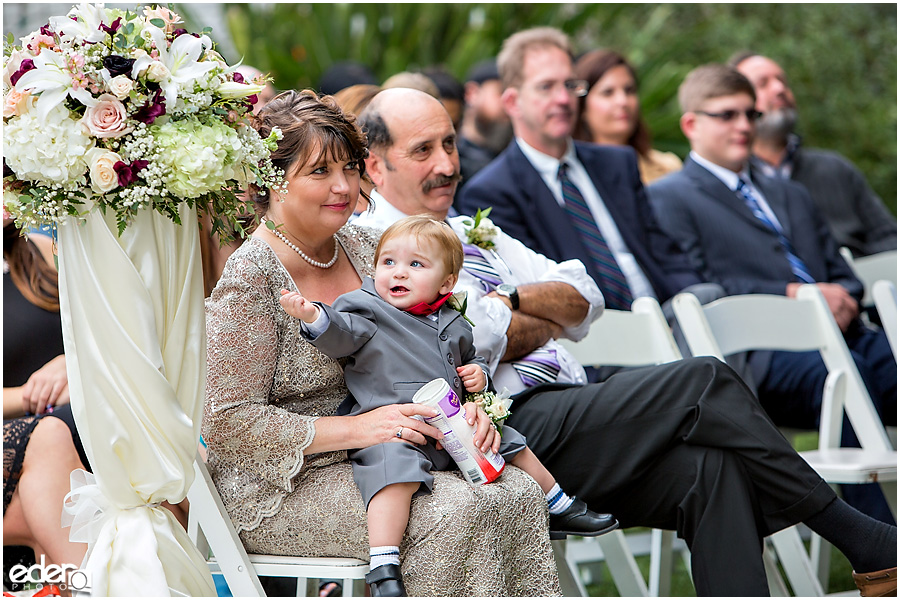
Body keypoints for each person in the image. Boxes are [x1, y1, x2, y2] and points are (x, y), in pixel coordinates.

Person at [353, 84, 897, 596]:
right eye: (423, 150)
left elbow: (585, 295)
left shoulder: (476, 231)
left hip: (568, 401)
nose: (448, 164)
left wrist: (513, 302)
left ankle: (870, 548)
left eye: (450, 143)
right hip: (502, 428)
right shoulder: (379, 251)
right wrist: (529, 315)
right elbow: (466, 343)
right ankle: (862, 538)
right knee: (704, 378)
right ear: (376, 166)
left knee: (712, 471)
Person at [201, 89, 561, 597]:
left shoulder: (371, 248)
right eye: (321, 172)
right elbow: (228, 423)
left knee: (517, 491)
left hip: (403, 448)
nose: (344, 186)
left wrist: (473, 407)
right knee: (454, 513)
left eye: (350, 168)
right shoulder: (252, 279)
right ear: (270, 179)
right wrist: (358, 428)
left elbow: (436, 340)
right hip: (288, 482)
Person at [280, 215, 616, 595]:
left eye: (415, 265)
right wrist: (314, 316)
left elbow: (468, 363)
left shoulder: (453, 320)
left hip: (452, 419)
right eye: (388, 262)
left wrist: (478, 377)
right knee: (393, 472)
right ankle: (384, 563)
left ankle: (559, 502)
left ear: (446, 283)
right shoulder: (367, 307)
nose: (398, 273)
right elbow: (342, 334)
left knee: (510, 442)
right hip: (397, 426)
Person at [646, 63, 896, 523]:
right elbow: (696, 286)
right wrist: (796, 295)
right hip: (765, 356)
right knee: (842, 376)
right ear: (690, 124)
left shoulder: (791, 193)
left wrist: (840, 293)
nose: (743, 126)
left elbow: (845, 273)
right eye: (726, 115)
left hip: (847, 332)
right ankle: (883, 550)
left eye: (749, 114)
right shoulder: (669, 198)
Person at [457, 28, 707, 314]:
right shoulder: (493, 191)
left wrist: (691, 304)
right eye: (546, 87)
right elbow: (534, 290)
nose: (564, 99)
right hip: (596, 334)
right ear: (513, 102)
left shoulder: (617, 163)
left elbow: (665, 254)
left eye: (569, 85)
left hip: (667, 311)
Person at [729, 52, 896, 258]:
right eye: (763, 84)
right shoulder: (731, 182)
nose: (780, 89)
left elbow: (889, 238)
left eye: (782, 81)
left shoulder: (834, 168)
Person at [573, 49, 682, 184]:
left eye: (629, 90)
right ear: (582, 107)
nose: (623, 101)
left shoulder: (668, 167)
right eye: (608, 92)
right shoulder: (571, 175)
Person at [455, 59, 513, 199]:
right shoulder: (454, 160)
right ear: (472, 93)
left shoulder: (513, 155)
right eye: (501, 92)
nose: (508, 102)